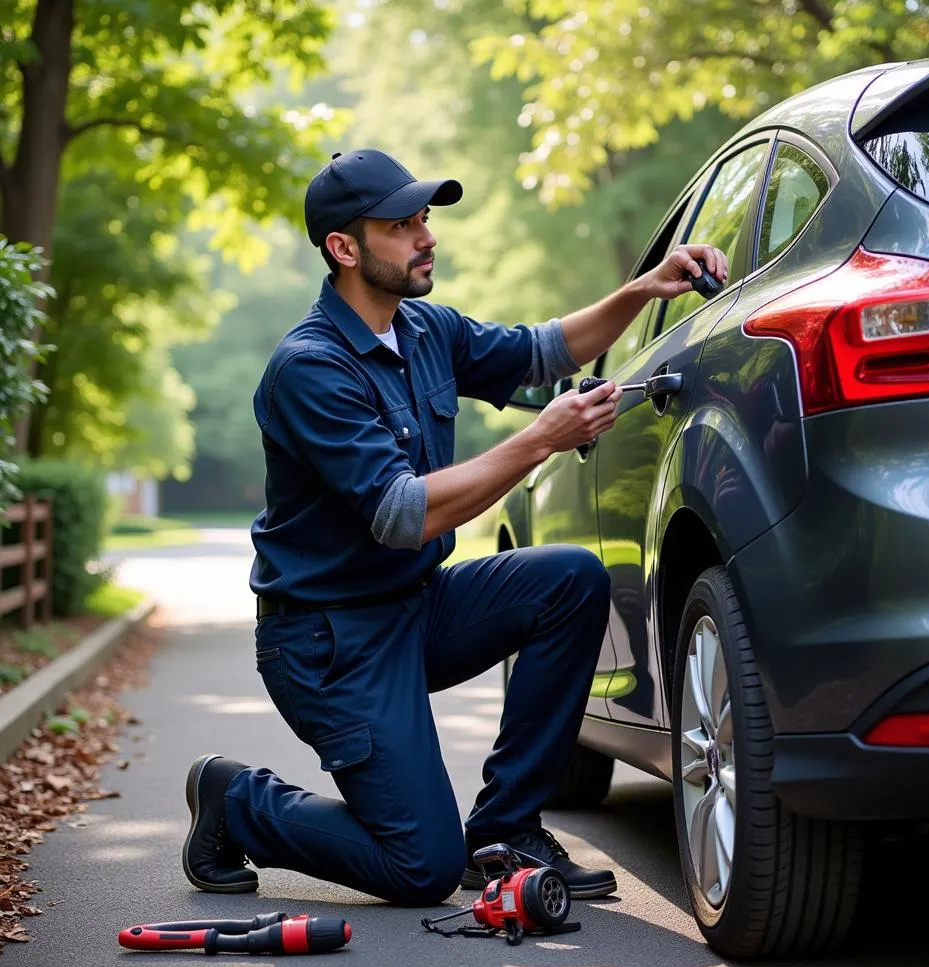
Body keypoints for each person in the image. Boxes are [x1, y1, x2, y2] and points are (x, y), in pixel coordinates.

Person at [181, 149, 728, 906]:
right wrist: (542, 438)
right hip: (329, 644)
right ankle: (235, 801)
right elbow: (405, 513)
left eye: (425, 219)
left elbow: (544, 351)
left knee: (568, 579)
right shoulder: (310, 368)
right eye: (402, 225)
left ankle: (506, 831)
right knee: (421, 869)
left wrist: (646, 287)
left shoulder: (426, 329)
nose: (426, 235)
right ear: (343, 248)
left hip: (412, 606)